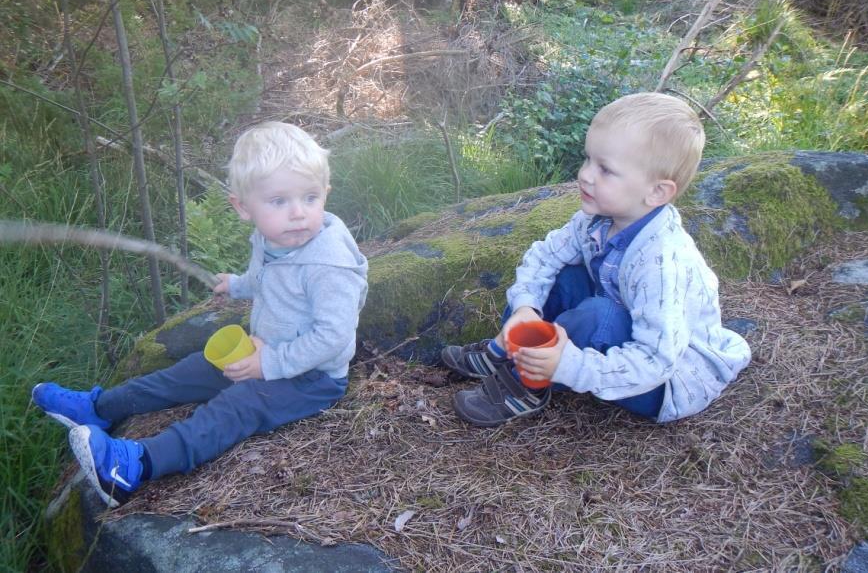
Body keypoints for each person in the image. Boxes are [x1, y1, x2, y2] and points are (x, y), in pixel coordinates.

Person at [32, 122, 368, 506]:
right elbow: (265, 276)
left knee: (238, 405)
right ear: (243, 207)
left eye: (310, 197)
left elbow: (333, 338)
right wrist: (238, 285)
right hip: (262, 349)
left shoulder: (330, 266)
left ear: (326, 192)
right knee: (190, 370)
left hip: (312, 377)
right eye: (279, 201)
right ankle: (99, 408)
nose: (298, 214)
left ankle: (134, 466)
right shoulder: (272, 238)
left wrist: (268, 363)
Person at [442, 92, 751, 427]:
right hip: (628, 332)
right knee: (564, 276)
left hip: (664, 382)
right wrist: (525, 308)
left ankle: (526, 383)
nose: (586, 175)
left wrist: (568, 366)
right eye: (588, 159)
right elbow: (544, 256)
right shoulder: (598, 219)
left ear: (657, 192)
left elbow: (657, 361)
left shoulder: (662, 262)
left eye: (606, 169)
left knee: (599, 315)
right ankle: (504, 350)